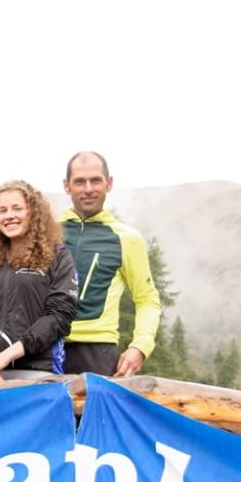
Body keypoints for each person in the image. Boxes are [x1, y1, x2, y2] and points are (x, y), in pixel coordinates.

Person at [0, 180, 78, 381]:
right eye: (3, 210)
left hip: (40, 373)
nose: (9, 216)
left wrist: (4, 357)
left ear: (33, 212)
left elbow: (59, 317)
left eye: (17, 208)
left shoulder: (58, 257)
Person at [61, 151, 161, 377]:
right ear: (67, 186)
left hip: (98, 353)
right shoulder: (46, 233)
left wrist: (140, 347)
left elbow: (147, 299)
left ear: (109, 183)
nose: (88, 189)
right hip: (45, 349)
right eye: (80, 181)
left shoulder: (127, 238)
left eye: (95, 180)